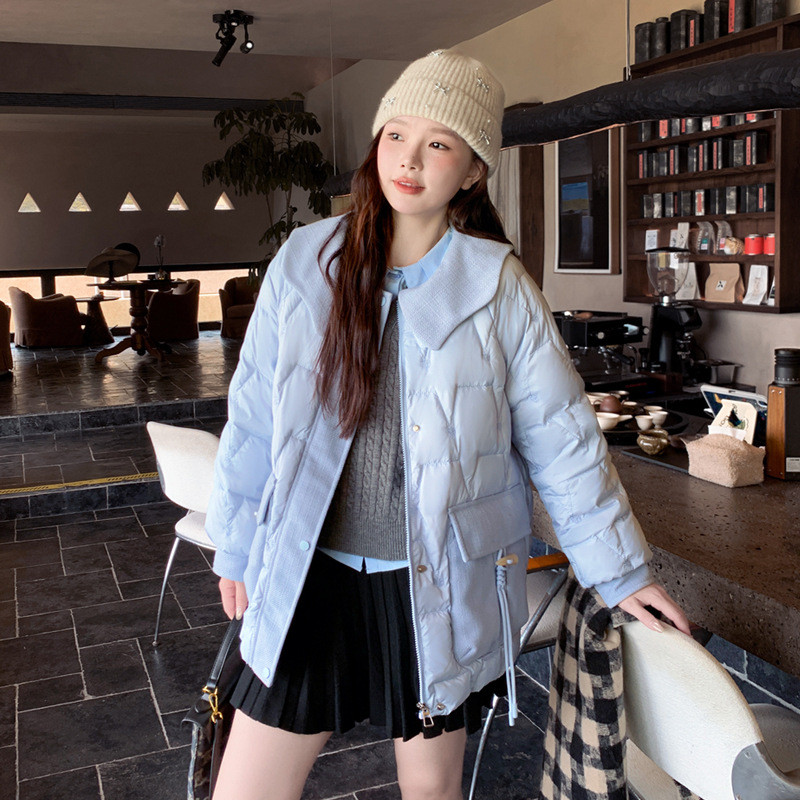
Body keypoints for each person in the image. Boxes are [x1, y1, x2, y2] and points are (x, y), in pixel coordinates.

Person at [205, 49, 690, 800]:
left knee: (430, 791)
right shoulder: (307, 261)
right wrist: (236, 546)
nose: (409, 159)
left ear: (471, 171)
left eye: (438, 144)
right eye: (396, 135)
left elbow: (561, 437)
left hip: (434, 580)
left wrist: (621, 572)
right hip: (309, 573)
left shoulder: (498, 284)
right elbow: (255, 422)